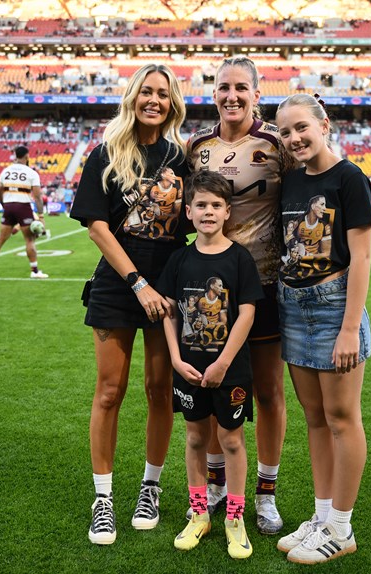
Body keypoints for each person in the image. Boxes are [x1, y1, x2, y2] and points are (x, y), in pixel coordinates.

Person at [69, 63, 189, 546]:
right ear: (133, 97)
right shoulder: (105, 154)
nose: (153, 100)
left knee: (160, 391)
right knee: (108, 391)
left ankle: (150, 488)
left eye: (162, 93)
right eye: (146, 92)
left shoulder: (183, 158)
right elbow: (97, 226)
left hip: (170, 286)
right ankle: (103, 500)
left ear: (173, 101)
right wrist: (138, 282)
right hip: (121, 286)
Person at [186, 55, 293, 534]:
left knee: (269, 393)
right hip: (210, 289)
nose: (231, 96)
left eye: (240, 88)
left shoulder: (276, 145)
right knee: (209, 387)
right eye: (223, 87)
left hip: (265, 284)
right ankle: (213, 485)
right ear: (213, 93)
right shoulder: (197, 146)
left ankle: (265, 493)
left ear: (256, 92)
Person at [273, 93, 371, 564]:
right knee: (314, 419)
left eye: (301, 128)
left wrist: (350, 327)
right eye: (286, 132)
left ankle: (341, 526)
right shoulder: (291, 181)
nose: (294, 138)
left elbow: (362, 258)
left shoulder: (349, 178)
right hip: (293, 304)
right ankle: (320, 515)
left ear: (324, 125)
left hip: (334, 308)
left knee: (341, 418)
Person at [156, 170, 262, 559]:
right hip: (188, 369)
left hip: (229, 370)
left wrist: (222, 363)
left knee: (231, 440)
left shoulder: (239, 258)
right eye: (201, 205)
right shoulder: (180, 258)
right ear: (188, 211)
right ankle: (199, 513)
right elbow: (169, 313)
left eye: (216, 205)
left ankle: (235, 517)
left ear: (227, 212)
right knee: (196, 438)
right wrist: (174, 358)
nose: (208, 211)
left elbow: (247, 314)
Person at [0, 145, 48, 279]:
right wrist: (40, 216)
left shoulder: (6, 171)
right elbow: (38, 196)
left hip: (9, 206)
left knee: (1, 237)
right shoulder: (31, 173)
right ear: (27, 156)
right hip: (23, 206)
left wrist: (5, 206)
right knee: (30, 239)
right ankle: (35, 271)